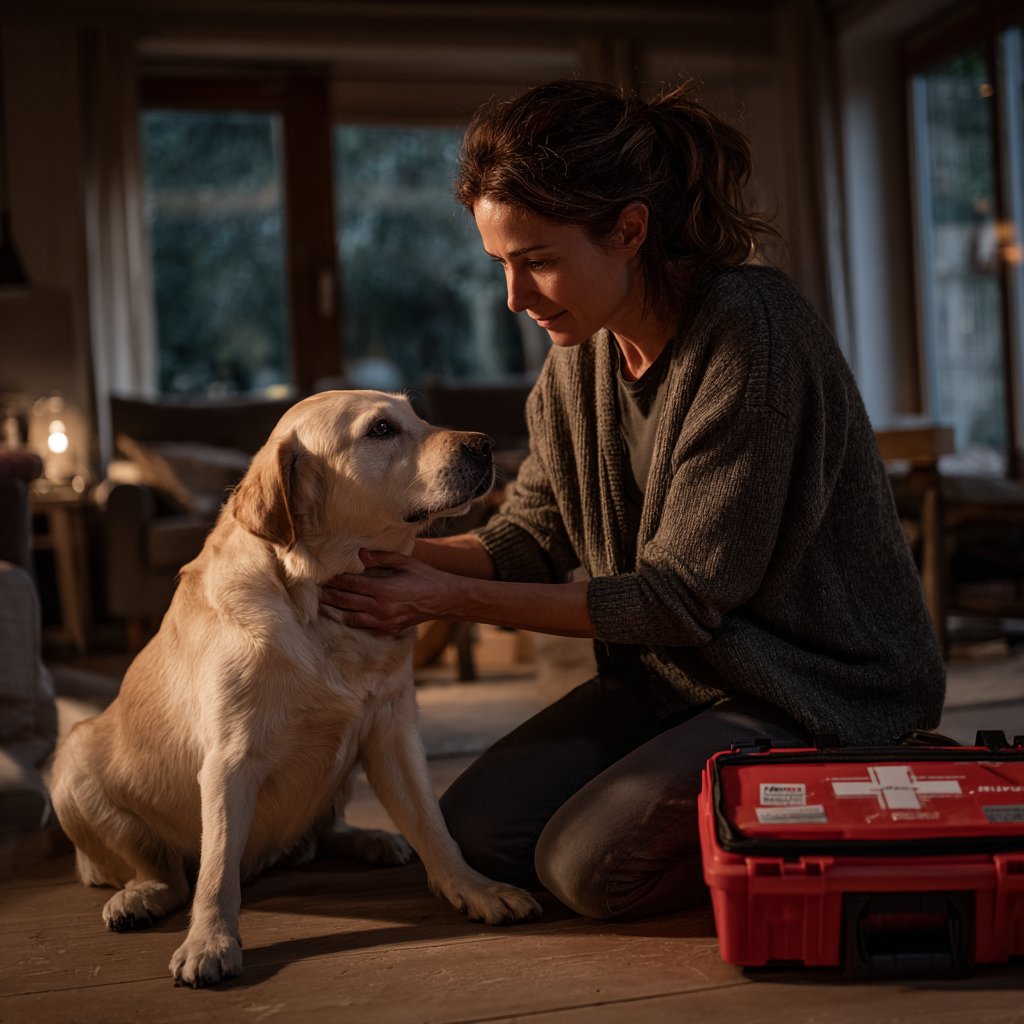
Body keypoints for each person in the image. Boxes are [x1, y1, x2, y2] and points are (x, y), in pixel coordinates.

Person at [318, 80, 945, 921]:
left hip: (809, 692)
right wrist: (388, 550)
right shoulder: (578, 359)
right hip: (671, 683)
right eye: (500, 264)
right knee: (473, 836)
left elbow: (675, 600)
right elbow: (532, 534)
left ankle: (867, 779)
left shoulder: (752, 336)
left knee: (590, 869)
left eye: (537, 259)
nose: (515, 297)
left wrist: (452, 597)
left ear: (629, 229)